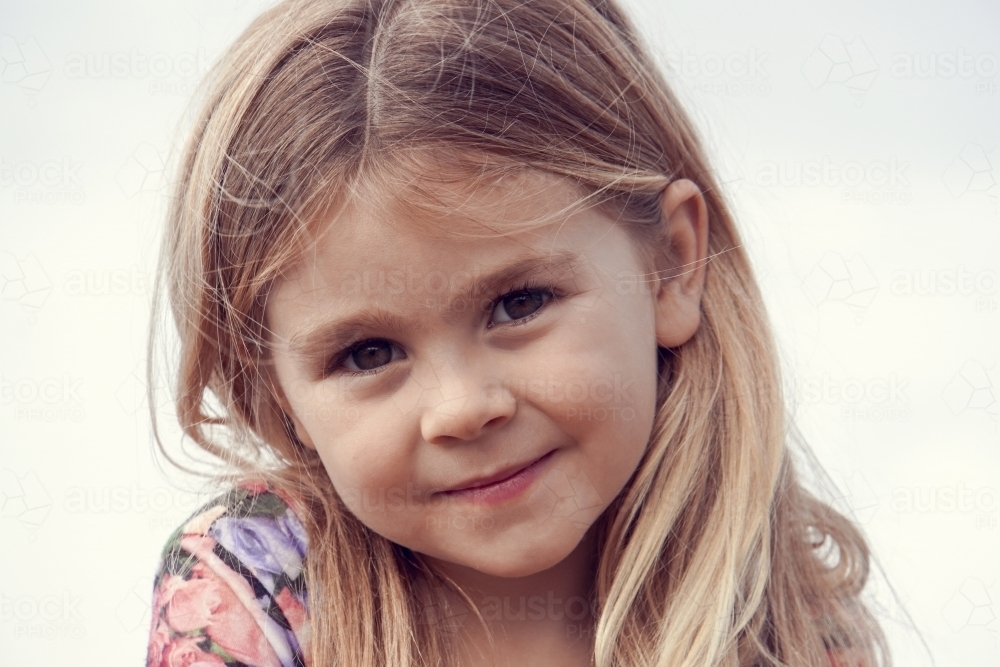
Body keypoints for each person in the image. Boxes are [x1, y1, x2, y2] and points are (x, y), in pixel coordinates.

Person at [144, 0, 889, 665]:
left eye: (520, 303)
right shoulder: (252, 583)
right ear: (280, 395)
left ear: (671, 265)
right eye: (368, 353)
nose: (463, 408)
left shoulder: (795, 630)